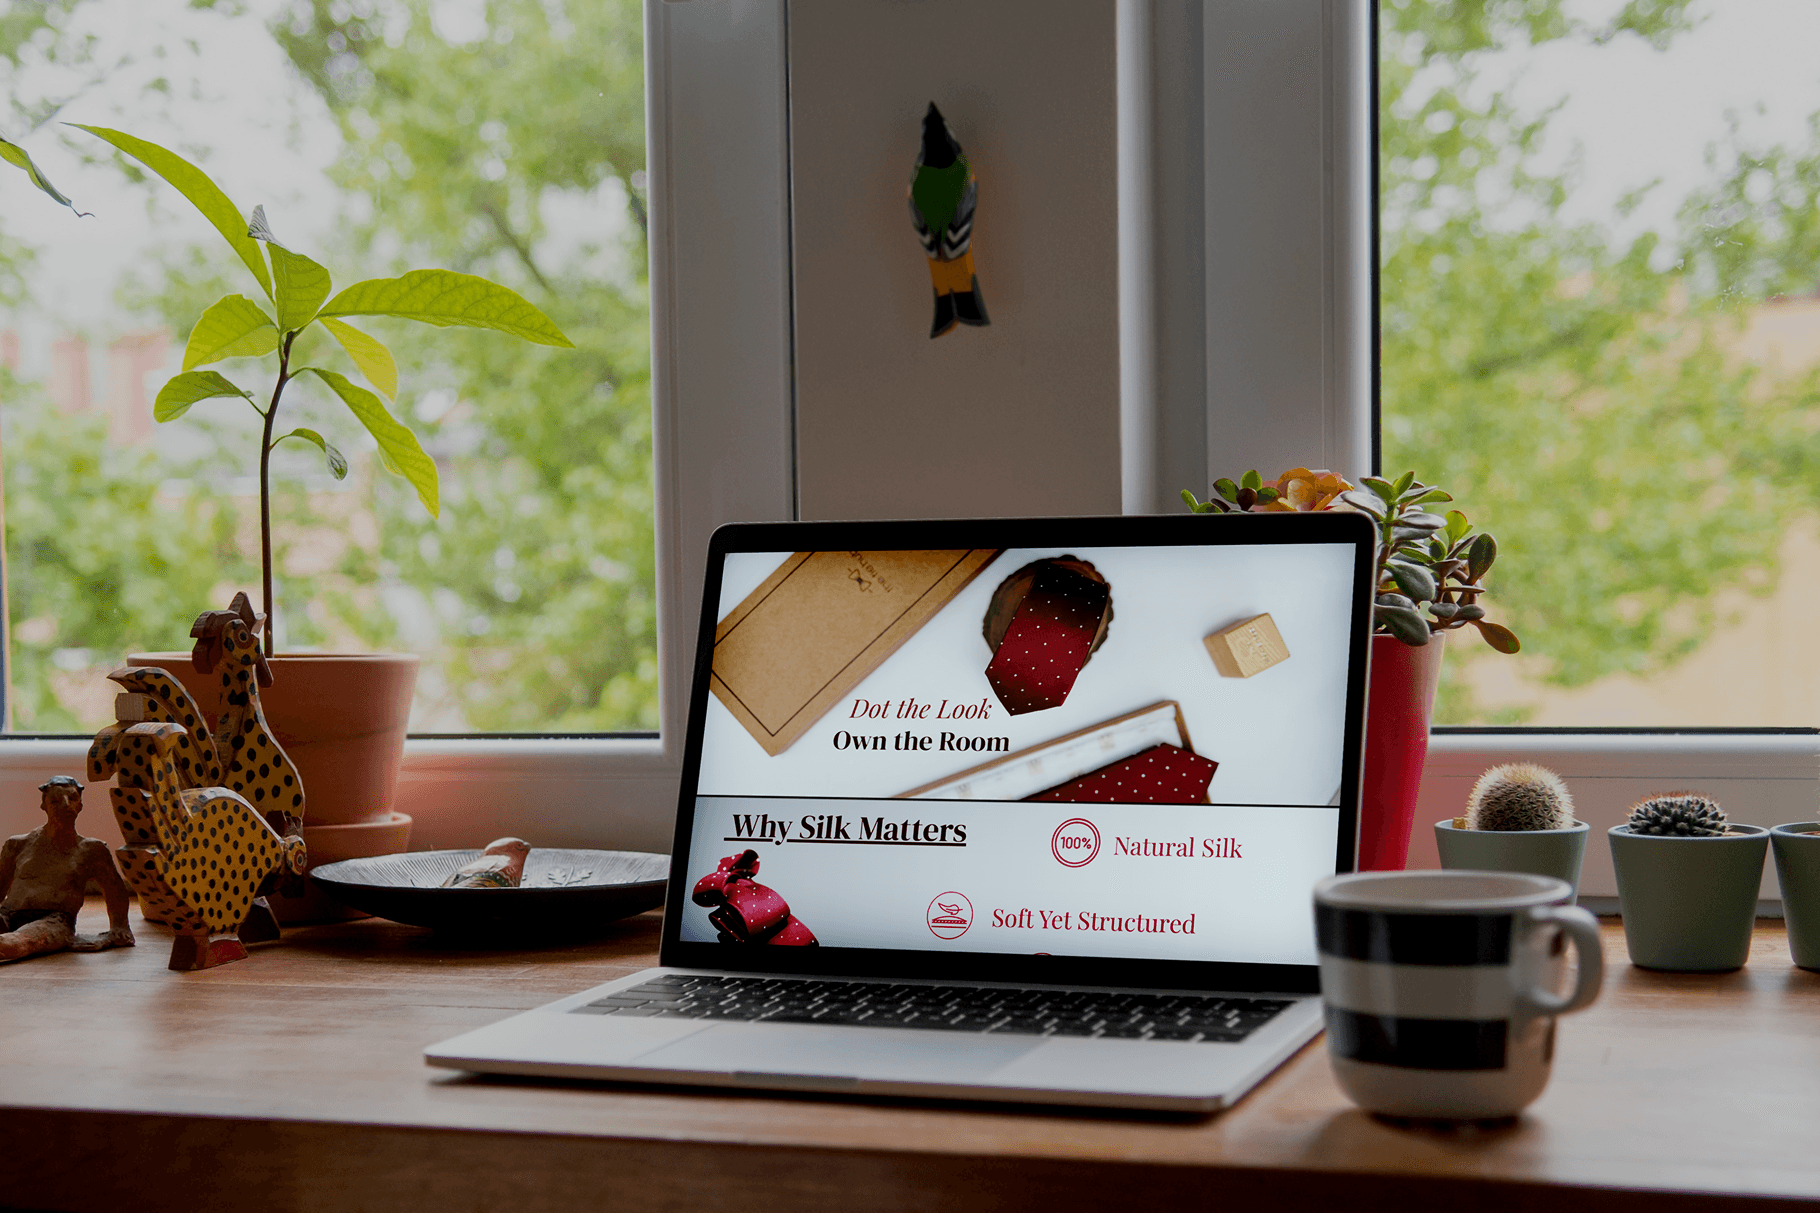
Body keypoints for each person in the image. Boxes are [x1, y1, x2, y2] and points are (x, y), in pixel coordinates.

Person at [0, 776, 135, 963]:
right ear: (44, 805)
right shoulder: (17, 845)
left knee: (13, 944)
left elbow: (114, 889)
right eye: (55, 800)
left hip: (54, 919)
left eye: (72, 798)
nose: (65, 805)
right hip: (8, 913)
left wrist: (119, 929)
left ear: (80, 805)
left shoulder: (92, 850)